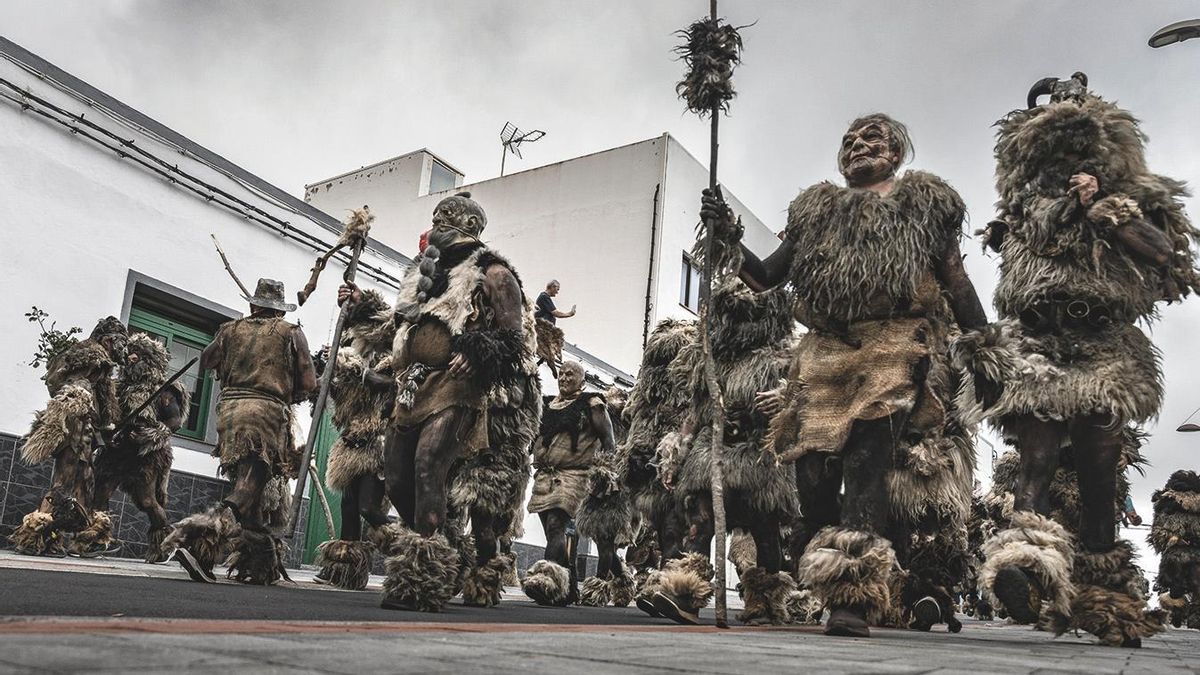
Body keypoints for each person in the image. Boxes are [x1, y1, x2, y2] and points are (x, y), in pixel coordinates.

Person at [702, 112, 988, 637]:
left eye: (871, 138)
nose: (858, 146)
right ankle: (824, 562)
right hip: (825, 353)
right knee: (811, 477)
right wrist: (726, 235)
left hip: (894, 345)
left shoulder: (925, 204)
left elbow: (954, 277)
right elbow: (765, 278)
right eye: (850, 141)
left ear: (896, 152)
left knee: (866, 463)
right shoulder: (817, 211)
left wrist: (984, 345)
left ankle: (851, 595)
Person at [958, 73, 1196, 647]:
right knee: (1035, 455)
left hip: (1102, 344)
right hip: (1038, 341)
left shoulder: (1130, 200)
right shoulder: (1023, 216)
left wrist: (1106, 211)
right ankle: (1023, 560)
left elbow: (1169, 259)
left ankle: (1102, 590)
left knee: (1097, 467)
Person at [378, 192, 540, 612]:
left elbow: (515, 340)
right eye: (435, 221)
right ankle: (442, 543)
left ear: (468, 229)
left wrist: (477, 350)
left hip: (457, 386)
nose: (437, 227)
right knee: (395, 478)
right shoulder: (421, 276)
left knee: (428, 464)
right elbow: (396, 327)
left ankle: (420, 575)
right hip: (413, 386)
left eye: (446, 222)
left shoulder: (495, 273)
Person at [650, 278, 800, 626]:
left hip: (759, 453)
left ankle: (763, 601)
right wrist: (677, 451)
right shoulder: (709, 361)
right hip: (712, 452)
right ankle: (687, 596)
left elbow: (805, 397)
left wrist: (784, 399)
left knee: (763, 529)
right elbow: (693, 413)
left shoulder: (783, 357)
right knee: (700, 524)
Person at [166, 278, 318, 585]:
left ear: (252, 304)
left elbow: (207, 360)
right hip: (265, 413)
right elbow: (311, 382)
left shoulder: (229, 330)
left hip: (229, 412)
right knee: (250, 485)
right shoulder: (291, 332)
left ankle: (262, 565)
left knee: (251, 492)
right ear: (279, 311)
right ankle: (201, 538)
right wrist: (291, 391)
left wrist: (229, 341)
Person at [11, 317, 128, 557]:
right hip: (75, 432)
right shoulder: (93, 358)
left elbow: (91, 403)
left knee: (83, 485)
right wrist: (82, 415)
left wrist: (102, 429)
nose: (123, 349)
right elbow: (74, 393)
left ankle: (84, 540)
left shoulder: (98, 366)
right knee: (64, 483)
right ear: (108, 340)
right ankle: (33, 536)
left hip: (84, 433)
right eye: (120, 342)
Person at [312, 284, 396, 590]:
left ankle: (410, 549)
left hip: (380, 437)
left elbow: (387, 383)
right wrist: (327, 364)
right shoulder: (349, 344)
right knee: (348, 508)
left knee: (368, 508)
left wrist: (358, 370)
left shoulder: (392, 349)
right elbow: (337, 388)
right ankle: (346, 569)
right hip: (352, 436)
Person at [521, 361, 616, 606]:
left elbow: (608, 440)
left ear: (582, 381)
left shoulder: (592, 404)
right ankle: (569, 587)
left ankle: (548, 581)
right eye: (561, 374)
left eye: (570, 374)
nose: (564, 378)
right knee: (552, 531)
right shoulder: (546, 404)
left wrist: (604, 473)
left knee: (556, 525)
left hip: (575, 475)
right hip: (545, 476)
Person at [92, 333, 189, 562]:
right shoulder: (118, 386)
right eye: (130, 352)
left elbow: (174, 421)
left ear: (149, 359)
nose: (131, 357)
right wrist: (107, 433)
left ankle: (164, 544)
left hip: (146, 454)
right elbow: (108, 414)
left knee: (147, 501)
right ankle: (97, 538)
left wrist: (150, 435)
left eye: (138, 353)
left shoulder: (165, 390)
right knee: (101, 493)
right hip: (117, 450)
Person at [1150, 470, 1200, 630]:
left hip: (1195, 550)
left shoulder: (1167, 504)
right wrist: (1175, 539)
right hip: (1176, 552)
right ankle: (1177, 608)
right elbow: (1158, 532)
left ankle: (1193, 615)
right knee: (1176, 587)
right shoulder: (1167, 506)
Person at [534, 280, 576, 377]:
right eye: (557, 289)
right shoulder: (544, 297)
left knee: (550, 347)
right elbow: (555, 313)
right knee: (551, 346)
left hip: (546, 328)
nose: (557, 292)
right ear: (552, 287)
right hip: (543, 327)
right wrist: (570, 314)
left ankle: (541, 363)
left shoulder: (545, 297)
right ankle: (549, 363)